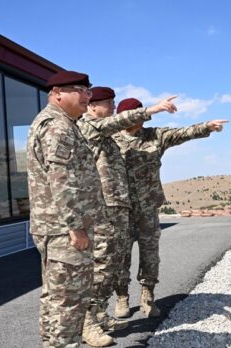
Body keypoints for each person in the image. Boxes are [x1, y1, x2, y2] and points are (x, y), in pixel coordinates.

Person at [76, 87, 178, 346]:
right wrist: (151, 110)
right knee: (102, 264)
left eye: (113, 102)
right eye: (108, 102)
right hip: (104, 208)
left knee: (113, 262)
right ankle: (87, 323)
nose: (112, 105)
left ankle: (99, 315)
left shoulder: (106, 131)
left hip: (119, 206)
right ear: (92, 106)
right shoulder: (89, 127)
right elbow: (118, 121)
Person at [112, 97, 228, 317]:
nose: (137, 119)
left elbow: (182, 133)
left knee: (150, 254)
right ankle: (121, 297)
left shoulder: (154, 135)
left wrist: (207, 127)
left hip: (147, 207)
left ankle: (148, 296)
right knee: (120, 255)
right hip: (120, 209)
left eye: (139, 114)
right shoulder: (110, 139)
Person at [26, 71, 102, 347]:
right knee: (69, 302)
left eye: (88, 91)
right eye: (80, 90)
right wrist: (75, 226)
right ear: (57, 92)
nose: (87, 96)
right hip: (63, 229)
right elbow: (62, 182)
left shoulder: (64, 124)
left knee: (55, 298)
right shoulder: (58, 127)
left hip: (56, 227)